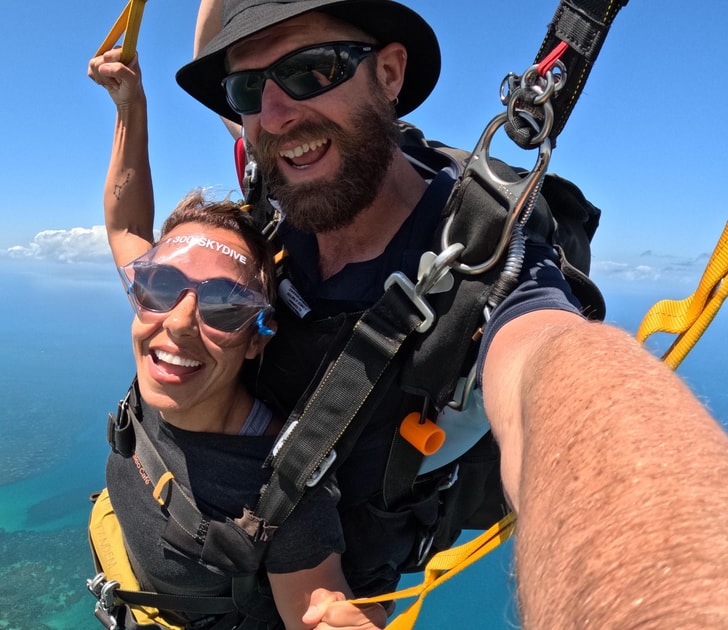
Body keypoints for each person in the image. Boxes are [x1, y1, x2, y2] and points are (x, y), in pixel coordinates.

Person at [162, 0, 728, 628]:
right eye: (247, 86)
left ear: (390, 73)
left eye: (311, 69)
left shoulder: (490, 263)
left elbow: (553, 365)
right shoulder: (278, 180)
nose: (273, 113)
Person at [88, 50, 387, 629]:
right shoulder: (165, 321)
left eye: (225, 307)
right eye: (161, 284)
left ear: (258, 337)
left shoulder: (278, 494)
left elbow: (317, 606)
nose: (178, 322)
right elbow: (126, 227)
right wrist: (131, 106)